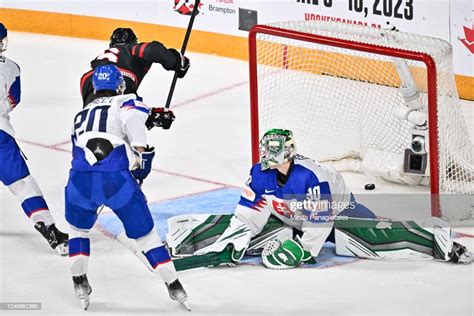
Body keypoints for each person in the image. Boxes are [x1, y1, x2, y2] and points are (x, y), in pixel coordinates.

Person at [184, 128, 472, 269]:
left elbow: (321, 220)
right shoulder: (259, 174)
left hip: (337, 209)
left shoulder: (311, 177)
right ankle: (187, 233)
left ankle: (433, 236)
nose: (266, 155)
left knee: (367, 238)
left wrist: (303, 250)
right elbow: (248, 213)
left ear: (288, 151)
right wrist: (234, 239)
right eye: (265, 149)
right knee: (258, 235)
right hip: (289, 215)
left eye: (273, 149)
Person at [66, 64, 189, 310]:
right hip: (115, 181)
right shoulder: (126, 100)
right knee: (146, 237)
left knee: (77, 231)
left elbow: (93, 140)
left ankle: (79, 281)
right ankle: (174, 286)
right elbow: (136, 117)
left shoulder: (79, 115)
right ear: (118, 85)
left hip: (79, 181)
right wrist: (143, 148)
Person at [0, 23, 68, 255]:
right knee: (23, 186)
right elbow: (13, 100)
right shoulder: (11, 67)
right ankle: (49, 229)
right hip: (0, 135)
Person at [80, 27, 190, 106]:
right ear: (133, 42)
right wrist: (175, 62)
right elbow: (153, 50)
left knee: (93, 118)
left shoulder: (105, 55)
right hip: (120, 78)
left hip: (88, 80)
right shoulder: (130, 49)